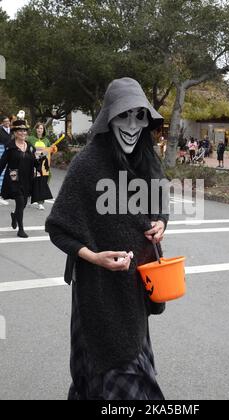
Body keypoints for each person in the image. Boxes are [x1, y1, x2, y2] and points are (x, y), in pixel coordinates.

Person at [45, 77, 169, 401]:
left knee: (112, 372)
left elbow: (160, 206)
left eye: (139, 116)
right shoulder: (86, 164)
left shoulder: (147, 161)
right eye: (123, 115)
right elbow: (58, 227)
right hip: (96, 293)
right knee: (111, 371)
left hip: (136, 290)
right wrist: (93, 256)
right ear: (109, 118)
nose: (131, 125)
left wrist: (161, 223)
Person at [0, 119, 37, 238]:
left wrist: (44, 159)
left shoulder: (30, 147)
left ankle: (15, 216)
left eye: (24, 130)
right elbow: (2, 164)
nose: (23, 133)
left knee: (23, 203)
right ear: (15, 133)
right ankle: (21, 229)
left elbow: (36, 162)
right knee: (20, 201)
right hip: (14, 179)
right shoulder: (10, 147)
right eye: (20, 131)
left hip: (27, 179)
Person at [28, 122, 56, 210]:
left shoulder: (46, 140)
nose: (39, 130)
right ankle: (27, 197)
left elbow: (50, 151)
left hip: (43, 165)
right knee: (30, 181)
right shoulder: (30, 139)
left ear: (43, 130)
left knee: (42, 183)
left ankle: (40, 202)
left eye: (41, 128)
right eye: (38, 128)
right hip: (32, 164)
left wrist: (53, 149)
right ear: (35, 129)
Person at [0, 115, 12, 206]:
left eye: (8, 121)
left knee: (7, 172)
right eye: (5, 121)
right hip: (1, 151)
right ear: (2, 122)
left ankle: (3, 192)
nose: (7, 123)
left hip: (9, 151)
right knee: (1, 172)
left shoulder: (11, 130)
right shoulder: (0, 129)